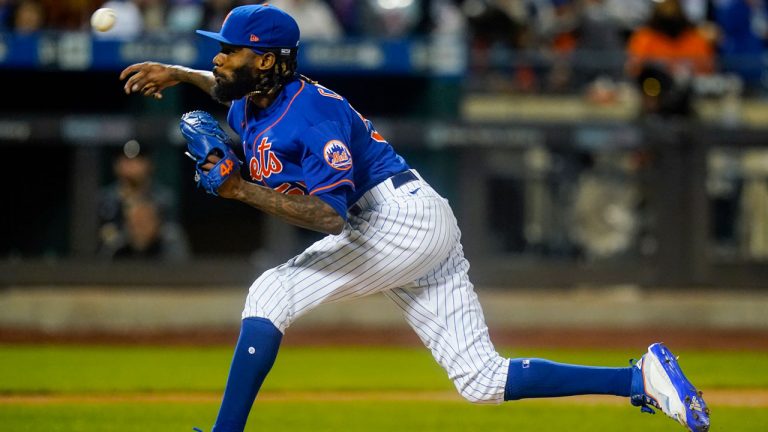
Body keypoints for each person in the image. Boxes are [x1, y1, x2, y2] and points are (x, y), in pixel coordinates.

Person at [119, 4, 710, 432]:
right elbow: (223, 87)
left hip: (398, 220)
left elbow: (327, 217)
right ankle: (639, 379)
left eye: (231, 50)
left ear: (268, 60)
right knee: (481, 380)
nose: (218, 58)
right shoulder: (254, 97)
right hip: (409, 223)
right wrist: (179, 73)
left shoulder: (310, 116)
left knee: (271, 290)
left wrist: (238, 189)